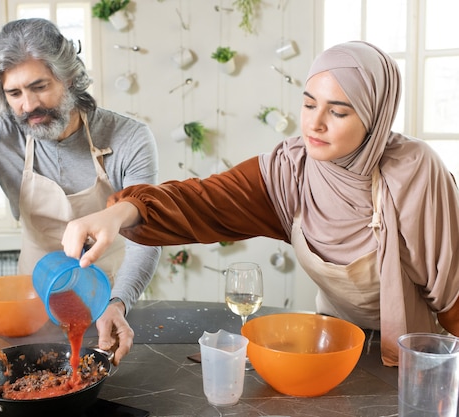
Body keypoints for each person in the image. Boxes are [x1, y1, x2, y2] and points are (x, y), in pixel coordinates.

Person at [62, 41, 459, 366]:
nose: (314, 124)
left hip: (416, 354)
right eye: (308, 104)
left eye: (337, 111)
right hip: (339, 342)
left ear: (375, 118)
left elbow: (451, 291)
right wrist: (118, 213)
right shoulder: (291, 168)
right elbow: (201, 201)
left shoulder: (413, 172)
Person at [0, 18, 161, 365]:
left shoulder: (128, 137)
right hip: (35, 304)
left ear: (69, 78)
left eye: (39, 87)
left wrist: (118, 303)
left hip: (112, 295)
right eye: (14, 93)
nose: (27, 106)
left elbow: (146, 233)